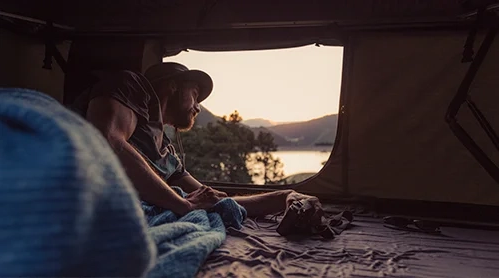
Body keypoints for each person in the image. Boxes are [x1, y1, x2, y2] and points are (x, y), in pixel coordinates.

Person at [71, 62, 323, 218]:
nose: (198, 107)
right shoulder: (131, 86)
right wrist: (180, 204)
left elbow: (211, 197)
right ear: (173, 86)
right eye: (195, 94)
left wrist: (285, 196)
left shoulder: (167, 155)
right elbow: (105, 142)